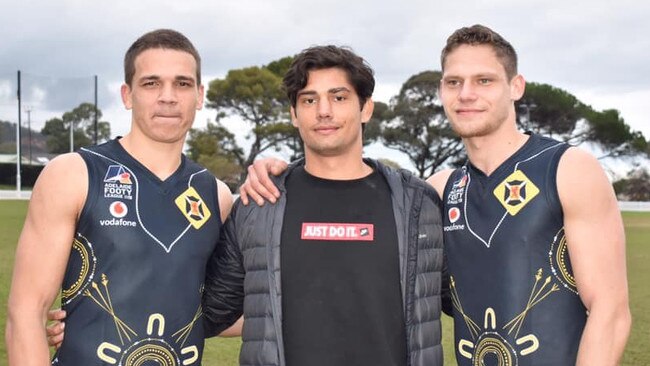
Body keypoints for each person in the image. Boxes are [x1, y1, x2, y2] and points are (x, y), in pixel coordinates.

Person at [239, 25, 632, 365]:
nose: (466, 94)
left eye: (484, 80)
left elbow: (610, 311)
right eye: (453, 82)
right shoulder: (440, 190)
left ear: (516, 86)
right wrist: (277, 169)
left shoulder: (567, 169)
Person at [201, 45, 448, 366]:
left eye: (339, 97)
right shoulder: (259, 205)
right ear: (293, 113)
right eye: (309, 99)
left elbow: (465, 298)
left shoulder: (418, 204)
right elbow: (212, 313)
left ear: (366, 108)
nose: (324, 111)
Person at [5, 29, 234, 365]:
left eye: (182, 84)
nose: (168, 97)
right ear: (128, 95)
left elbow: (213, 310)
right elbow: (25, 313)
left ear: (199, 96)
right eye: (151, 83)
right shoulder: (73, 174)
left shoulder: (217, 194)